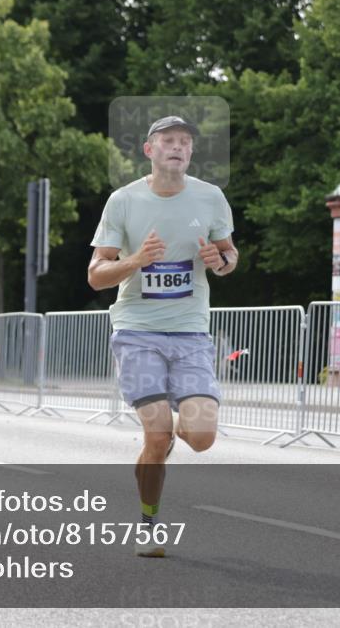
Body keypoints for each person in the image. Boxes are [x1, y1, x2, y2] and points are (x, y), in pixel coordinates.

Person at [88, 115, 238, 557]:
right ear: (149, 150)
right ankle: (148, 523)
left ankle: (172, 424)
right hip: (137, 331)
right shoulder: (124, 200)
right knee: (157, 436)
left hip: (190, 333)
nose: (178, 147)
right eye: (168, 140)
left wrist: (221, 260)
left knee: (202, 437)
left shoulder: (211, 198)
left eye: (185, 142)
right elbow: (97, 275)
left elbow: (230, 255)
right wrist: (136, 261)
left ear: (191, 152)